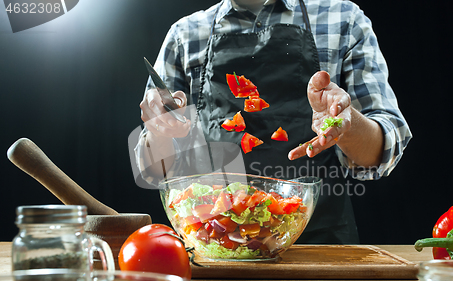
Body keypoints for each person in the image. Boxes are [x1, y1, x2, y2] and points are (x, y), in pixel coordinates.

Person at [134, 0, 412, 244]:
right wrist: (158, 132)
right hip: (217, 243)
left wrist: (346, 124)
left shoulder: (342, 19)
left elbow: (382, 152)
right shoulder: (184, 36)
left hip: (321, 248)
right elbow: (155, 172)